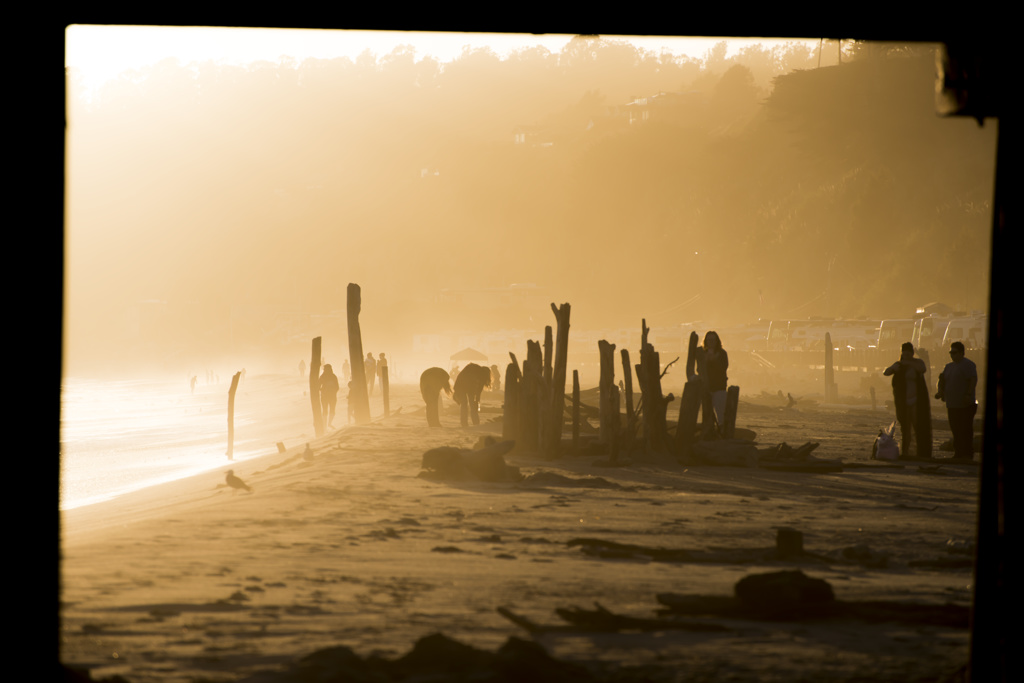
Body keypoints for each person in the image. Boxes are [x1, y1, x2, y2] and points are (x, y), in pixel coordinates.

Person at [883, 342, 932, 459]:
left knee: (918, 426)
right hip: (903, 403)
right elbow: (886, 372)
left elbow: (922, 369)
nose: (906, 355)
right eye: (904, 352)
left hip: (917, 401)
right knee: (905, 427)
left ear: (911, 353)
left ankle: (920, 452)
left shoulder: (917, 363)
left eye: (908, 352)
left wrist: (908, 363)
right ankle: (906, 452)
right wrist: (893, 367)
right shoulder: (899, 364)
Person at [935, 341, 978, 460]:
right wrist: (940, 391)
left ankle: (968, 454)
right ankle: (958, 453)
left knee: (966, 429)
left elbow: (972, 380)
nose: (952, 355)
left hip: (966, 404)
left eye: (954, 353)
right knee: (955, 429)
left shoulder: (968, 364)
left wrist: (968, 394)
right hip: (952, 404)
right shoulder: (949, 366)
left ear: (961, 353)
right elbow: (942, 379)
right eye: (950, 353)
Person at [703, 331, 729, 434]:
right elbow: (699, 370)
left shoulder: (722, 353)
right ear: (706, 341)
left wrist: (713, 359)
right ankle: (709, 433)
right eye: (709, 340)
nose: (711, 342)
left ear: (717, 341)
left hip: (719, 388)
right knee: (707, 415)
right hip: (706, 389)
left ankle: (723, 432)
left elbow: (723, 368)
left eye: (713, 339)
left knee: (721, 414)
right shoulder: (703, 354)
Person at [319, 364, 340, 429]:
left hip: (329, 396)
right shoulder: (327, 376)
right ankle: (326, 424)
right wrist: (323, 390)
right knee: (327, 410)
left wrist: (324, 390)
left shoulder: (331, 376)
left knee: (330, 410)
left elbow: (337, 387)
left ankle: (328, 424)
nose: (326, 370)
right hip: (327, 396)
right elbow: (318, 385)